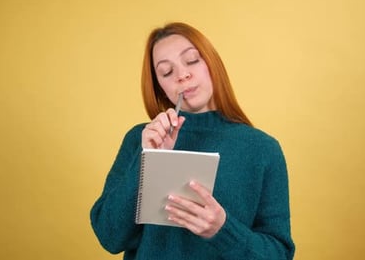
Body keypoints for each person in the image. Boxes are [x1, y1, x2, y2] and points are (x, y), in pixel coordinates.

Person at [90, 22, 295, 259]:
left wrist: (222, 230)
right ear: (160, 87)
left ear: (212, 64)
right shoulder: (141, 139)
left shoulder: (262, 149)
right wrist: (149, 159)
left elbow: (279, 254)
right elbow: (110, 237)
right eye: (167, 72)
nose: (182, 75)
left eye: (192, 60)